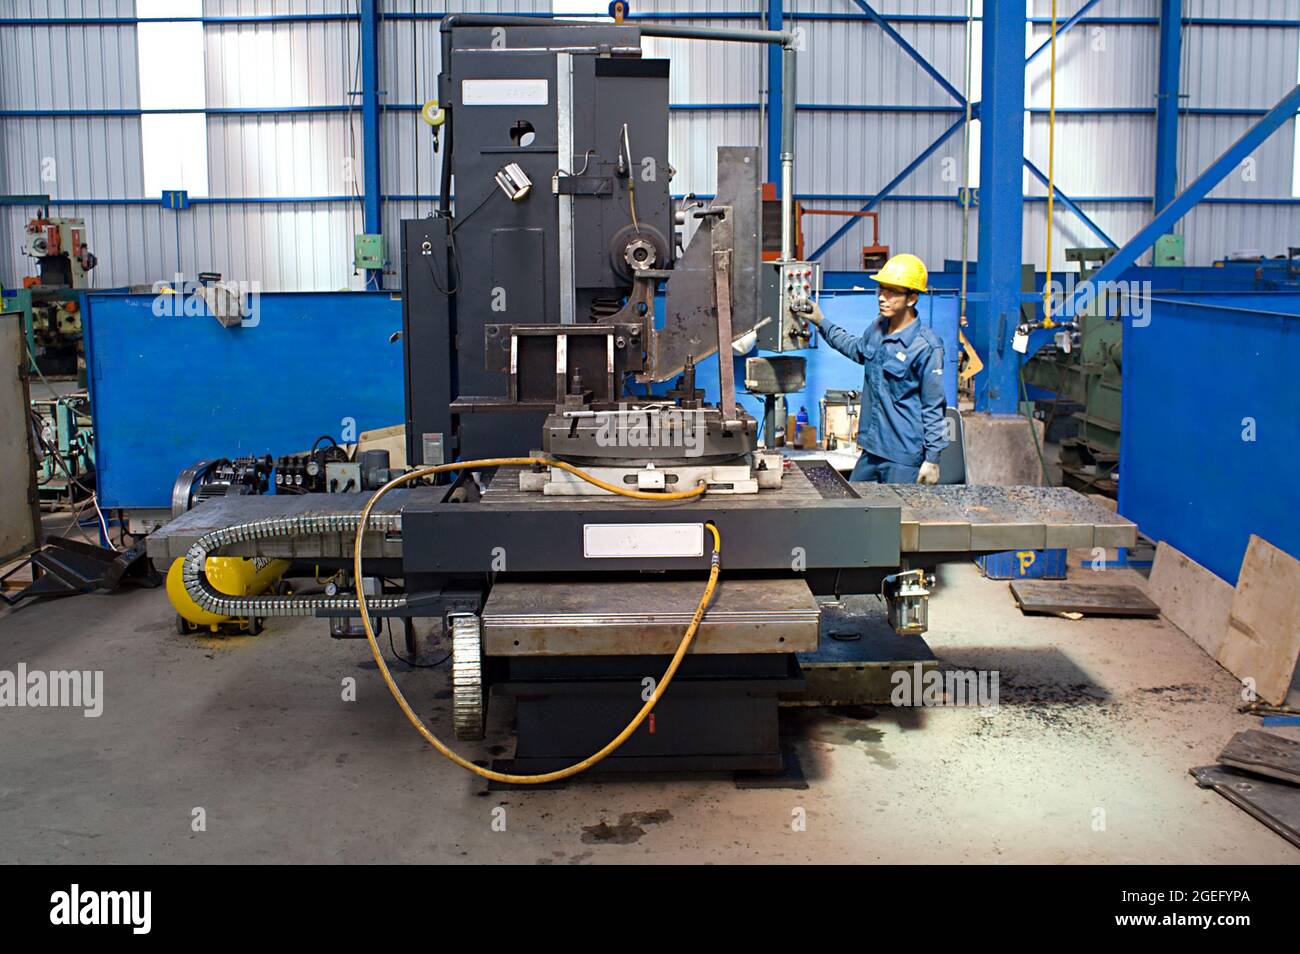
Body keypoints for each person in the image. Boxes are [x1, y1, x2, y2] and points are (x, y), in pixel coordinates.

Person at [804, 253, 948, 484]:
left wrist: (932, 458)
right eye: (881, 289)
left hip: (903, 457)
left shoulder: (927, 347)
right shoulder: (878, 327)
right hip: (871, 449)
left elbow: (934, 407)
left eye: (892, 292)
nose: (883, 297)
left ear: (912, 298)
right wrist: (821, 321)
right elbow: (856, 349)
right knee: (854, 509)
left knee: (899, 517)